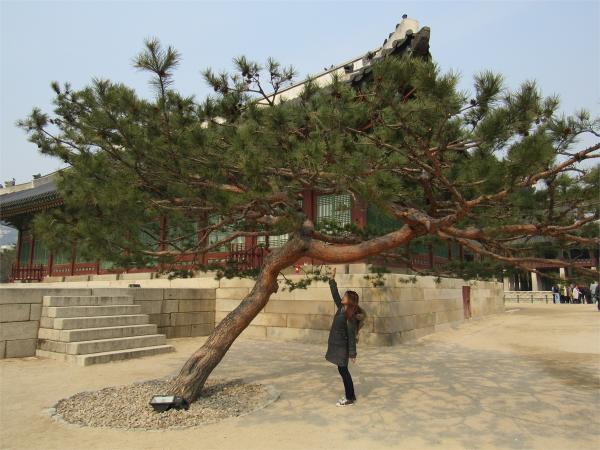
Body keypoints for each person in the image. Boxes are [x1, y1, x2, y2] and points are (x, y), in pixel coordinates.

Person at [326, 267, 366, 407]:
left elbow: (351, 335)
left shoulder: (350, 317)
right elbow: (335, 294)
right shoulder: (342, 309)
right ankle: (351, 396)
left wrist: (353, 354)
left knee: (344, 371)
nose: (342, 297)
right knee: (342, 370)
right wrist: (332, 279)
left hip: (342, 348)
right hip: (338, 346)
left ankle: (350, 397)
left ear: (350, 301)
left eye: (346, 296)